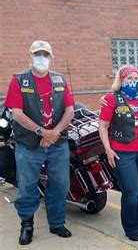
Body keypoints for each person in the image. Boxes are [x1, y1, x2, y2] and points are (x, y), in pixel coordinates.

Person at [4, 41, 74, 245]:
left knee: (61, 183)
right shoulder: (19, 80)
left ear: (51, 57)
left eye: (45, 54)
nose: (41, 58)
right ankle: (27, 224)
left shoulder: (60, 79)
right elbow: (16, 114)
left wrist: (54, 133)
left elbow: (69, 110)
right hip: (28, 144)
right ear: (30, 56)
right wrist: (42, 132)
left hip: (57, 142)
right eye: (37, 54)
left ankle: (56, 222)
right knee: (27, 185)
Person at [98, 65, 138, 242]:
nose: (133, 82)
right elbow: (103, 126)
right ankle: (130, 227)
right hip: (124, 152)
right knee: (131, 192)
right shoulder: (111, 99)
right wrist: (108, 149)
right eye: (129, 79)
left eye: (136, 79)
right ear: (120, 80)